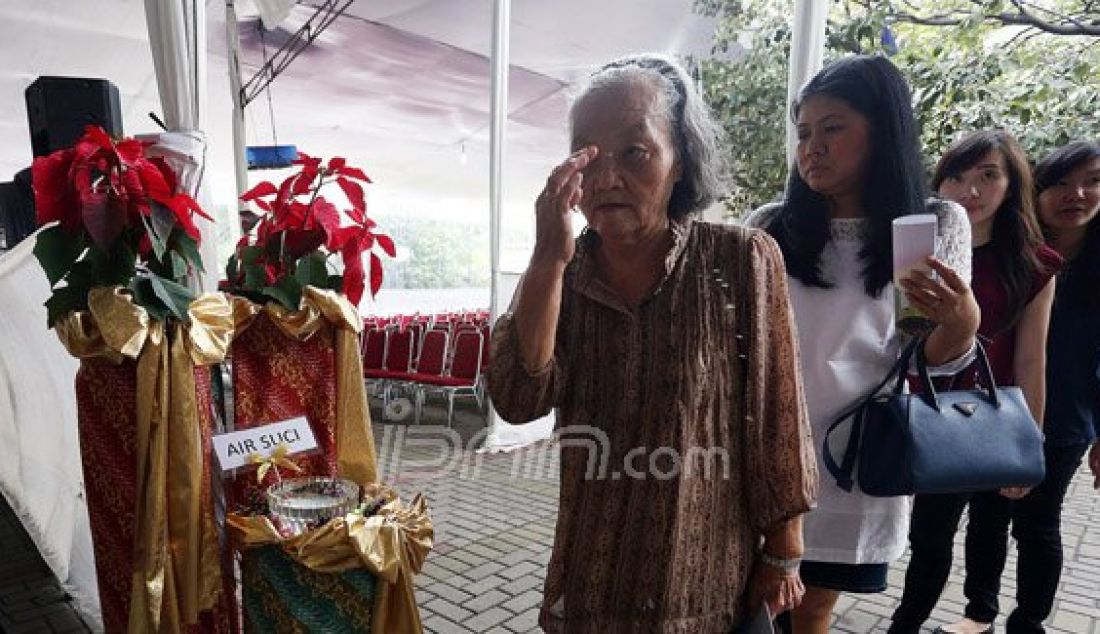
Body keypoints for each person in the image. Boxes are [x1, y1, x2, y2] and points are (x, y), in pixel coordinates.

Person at [488, 54, 818, 632]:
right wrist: (547, 258)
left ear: (680, 160)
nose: (606, 177)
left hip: (703, 579)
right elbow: (518, 398)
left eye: (634, 152)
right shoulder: (560, 274)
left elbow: (778, 414)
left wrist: (784, 548)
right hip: (593, 577)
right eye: (589, 154)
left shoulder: (738, 262)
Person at [745, 55, 980, 634]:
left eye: (833, 128)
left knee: (815, 608)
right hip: (764, 453)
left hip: (859, 456)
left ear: (883, 131)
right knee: (747, 607)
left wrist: (963, 321)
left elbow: (925, 359)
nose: (812, 148)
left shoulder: (927, 224)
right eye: (803, 133)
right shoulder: (773, 226)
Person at [888, 130, 1062, 634]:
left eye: (989, 175)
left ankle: (979, 616)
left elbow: (1032, 360)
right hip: (930, 417)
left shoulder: (1034, 264)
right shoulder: (914, 253)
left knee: (992, 526)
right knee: (930, 534)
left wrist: (1030, 443)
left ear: (1012, 186)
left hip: (993, 416)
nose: (972, 190)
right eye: (958, 176)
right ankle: (906, 623)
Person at [927, 140, 1100, 634]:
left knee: (1036, 523)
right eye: (1061, 183)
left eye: (1092, 181)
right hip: (997, 406)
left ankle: (1028, 622)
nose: (1078, 194)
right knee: (987, 518)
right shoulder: (1016, 254)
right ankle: (979, 614)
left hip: (1065, 416)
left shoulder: (1063, 264)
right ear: (1034, 191)